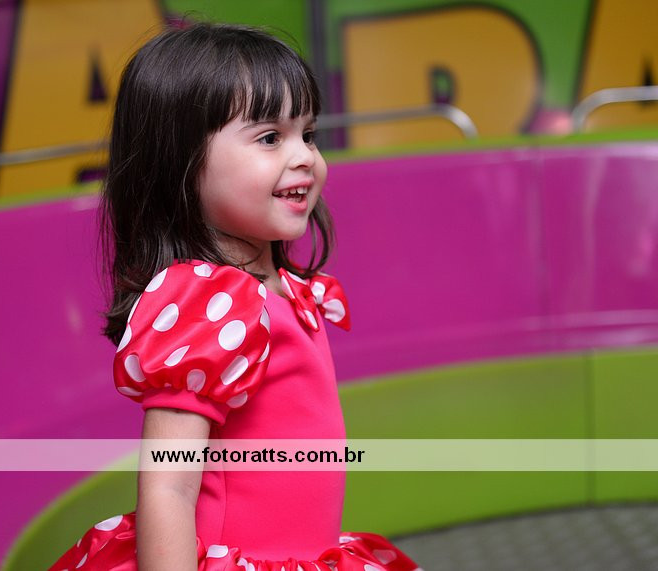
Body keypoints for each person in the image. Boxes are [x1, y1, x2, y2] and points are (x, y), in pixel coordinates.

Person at [48, 22, 422, 571]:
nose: (305, 157)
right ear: (180, 163)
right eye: (270, 137)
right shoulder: (207, 302)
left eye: (308, 134)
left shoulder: (285, 291)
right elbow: (168, 488)